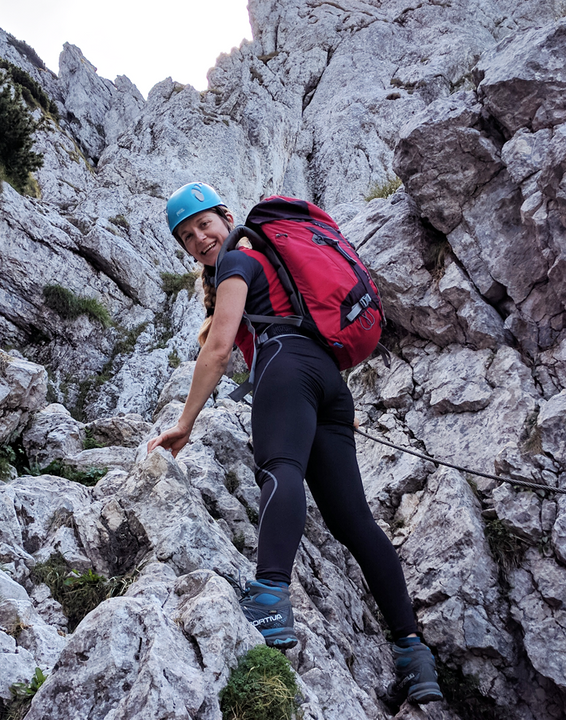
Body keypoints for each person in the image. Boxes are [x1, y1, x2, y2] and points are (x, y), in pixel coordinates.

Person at [147, 182, 443, 707]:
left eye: (203, 225)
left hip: (285, 369)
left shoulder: (239, 258)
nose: (199, 239)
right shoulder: (266, 263)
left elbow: (218, 349)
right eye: (187, 236)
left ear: (227, 217)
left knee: (280, 469)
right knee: (354, 521)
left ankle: (268, 598)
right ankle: (413, 654)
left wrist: (186, 423)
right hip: (329, 382)